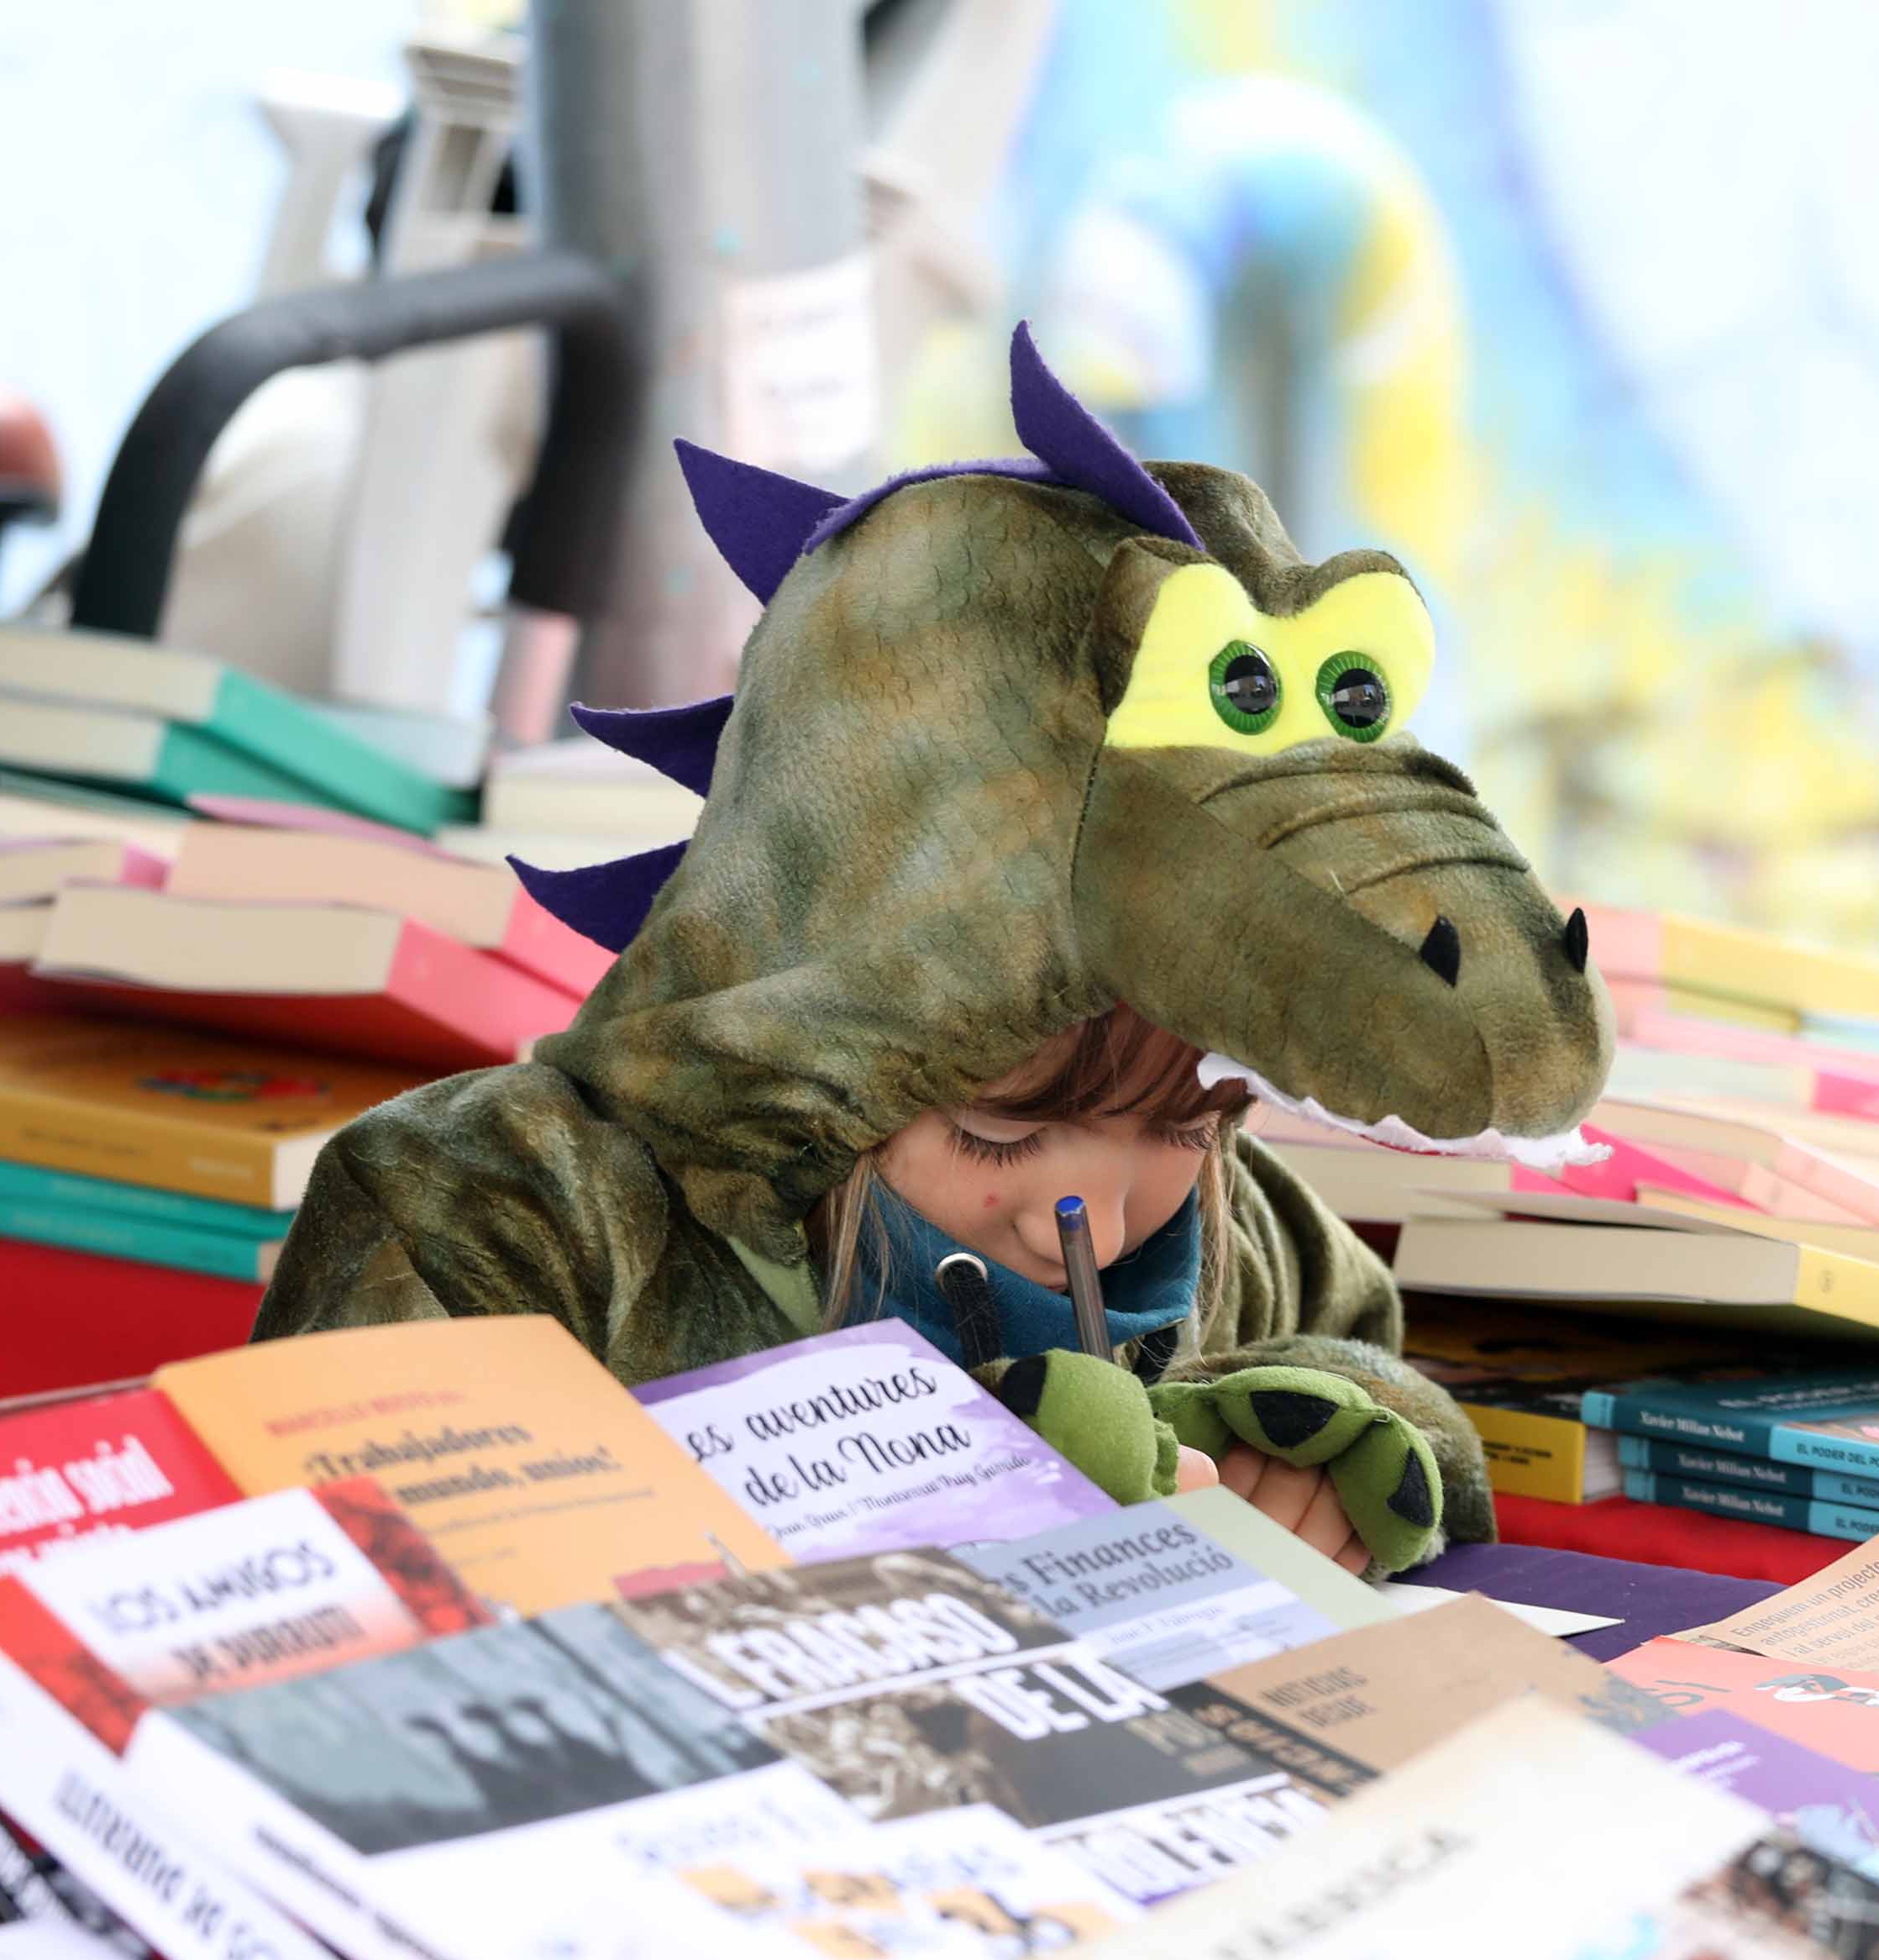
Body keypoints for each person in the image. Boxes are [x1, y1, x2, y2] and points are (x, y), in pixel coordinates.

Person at [255, 329, 1614, 1575]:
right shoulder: (494, 1217)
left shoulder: (1230, 1219)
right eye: (997, 1140)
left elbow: (1376, 1374)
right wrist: (939, 1497)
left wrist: (1326, 1448)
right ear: (823, 1043)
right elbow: (363, 1608)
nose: (1079, 1212)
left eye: (1174, 1126)